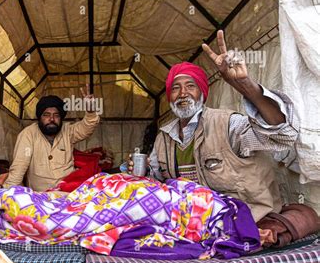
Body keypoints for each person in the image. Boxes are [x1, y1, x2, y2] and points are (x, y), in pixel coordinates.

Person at [127, 30, 299, 222]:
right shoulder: (164, 137)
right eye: (175, 88)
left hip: (242, 221)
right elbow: (156, 180)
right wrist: (141, 170)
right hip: (191, 222)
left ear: (202, 93)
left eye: (191, 86)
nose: (183, 93)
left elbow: (281, 136)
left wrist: (244, 84)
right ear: (169, 97)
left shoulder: (228, 125)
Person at [0, 85, 100, 192]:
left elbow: (86, 128)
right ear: (39, 117)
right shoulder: (28, 134)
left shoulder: (67, 131)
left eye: (56, 115)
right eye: (46, 115)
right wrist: (8, 193)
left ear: (61, 118)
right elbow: (19, 167)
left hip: (68, 192)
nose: (51, 119)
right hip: (41, 196)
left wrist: (91, 112)